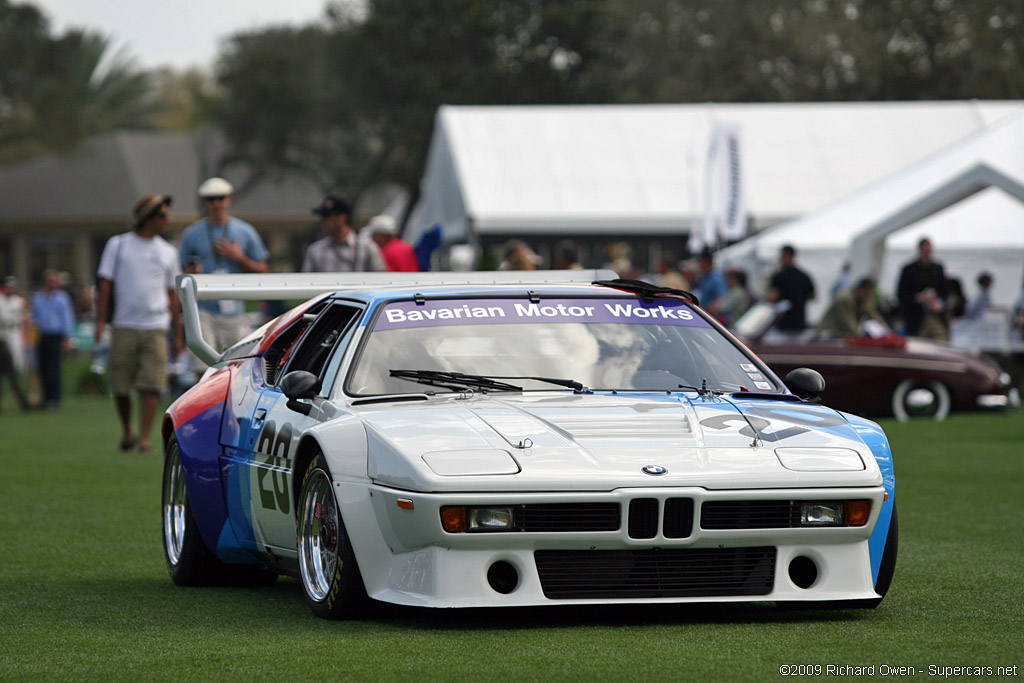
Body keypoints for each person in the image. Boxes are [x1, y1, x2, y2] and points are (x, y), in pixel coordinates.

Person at [95, 194, 183, 453]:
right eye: (163, 215)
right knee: (121, 385)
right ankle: (127, 430)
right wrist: (101, 320)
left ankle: (144, 438)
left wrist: (178, 332)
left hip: (156, 326)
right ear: (148, 218)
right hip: (124, 324)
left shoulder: (168, 251)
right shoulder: (118, 245)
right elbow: (105, 285)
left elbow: (172, 294)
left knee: (152, 384)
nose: (167, 220)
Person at [178, 177, 269, 361]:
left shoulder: (245, 231)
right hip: (202, 307)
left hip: (232, 309)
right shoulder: (192, 233)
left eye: (221, 198)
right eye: (211, 199)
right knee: (203, 364)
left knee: (230, 364)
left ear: (229, 199)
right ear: (204, 202)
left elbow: (262, 270)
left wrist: (238, 258)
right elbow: (181, 273)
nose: (216, 204)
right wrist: (192, 272)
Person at [302, 195, 386, 273]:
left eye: (327, 216)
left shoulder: (367, 248)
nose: (322, 221)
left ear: (342, 217)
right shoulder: (315, 250)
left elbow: (380, 280)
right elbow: (307, 282)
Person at [31, 270, 75, 410]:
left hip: (55, 335)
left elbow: (67, 318)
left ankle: (54, 398)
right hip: (42, 335)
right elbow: (34, 317)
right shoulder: (38, 297)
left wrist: (67, 337)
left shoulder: (62, 298)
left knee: (54, 368)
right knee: (43, 368)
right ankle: (46, 398)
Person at [896, 237, 949, 341]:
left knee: (941, 340)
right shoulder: (909, 269)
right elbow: (901, 294)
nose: (927, 253)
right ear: (920, 250)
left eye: (929, 250)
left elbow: (945, 291)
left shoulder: (938, 268)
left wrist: (940, 302)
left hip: (935, 315)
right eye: (925, 250)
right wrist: (918, 297)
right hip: (916, 318)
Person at [816, 277, 890, 338]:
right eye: (867, 291)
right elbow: (848, 320)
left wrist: (886, 331)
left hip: (843, 334)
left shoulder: (865, 299)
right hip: (829, 333)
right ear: (860, 289)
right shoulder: (844, 299)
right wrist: (860, 336)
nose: (868, 295)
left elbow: (873, 314)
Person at [766, 244, 816, 334]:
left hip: (783, 323)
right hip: (799, 322)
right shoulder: (803, 275)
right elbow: (813, 296)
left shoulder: (779, 276)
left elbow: (771, 298)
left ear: (784, 256)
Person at [0, 277, 30, 411]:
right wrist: (18, 315)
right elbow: (6, 319)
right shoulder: (1, 300)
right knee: (11, 373)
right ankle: (24, 402)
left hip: (6, 340)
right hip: (2, 340)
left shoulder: (10, 300)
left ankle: (23, 402)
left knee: (12, 373)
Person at [693, 249, 728, 315]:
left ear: (705, 262)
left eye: (700, 262)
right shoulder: (704, 277)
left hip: (712, 316)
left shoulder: (716, 278)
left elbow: (721, 297)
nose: (699, 265)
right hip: (704, 314)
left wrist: (713, 307)